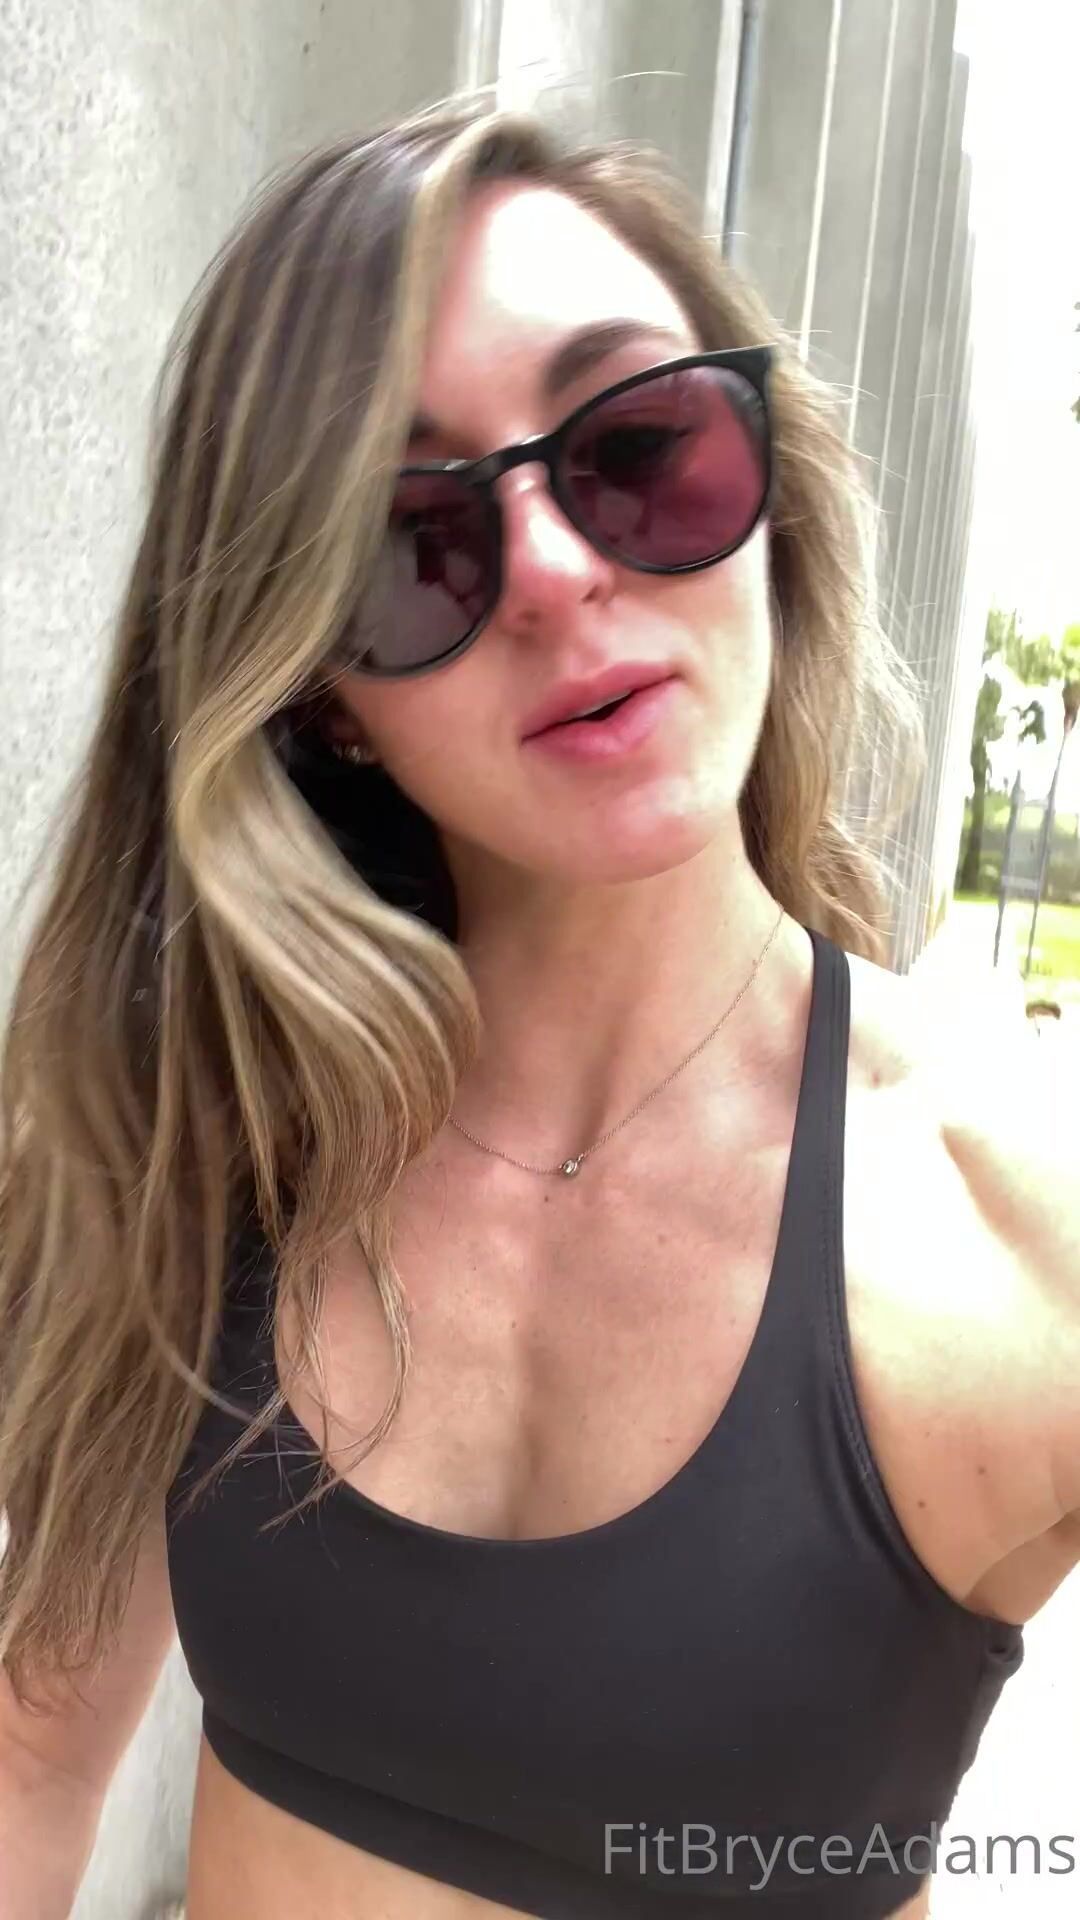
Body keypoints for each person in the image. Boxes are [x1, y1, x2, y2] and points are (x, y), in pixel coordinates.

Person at [0, 98, 1076, 1920]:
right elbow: (30, 1761)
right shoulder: (204, 1140)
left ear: (767, 488)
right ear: (317, 689)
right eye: (406, 539)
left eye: (640, 448)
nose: (564, 574)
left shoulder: (1022, 1221)